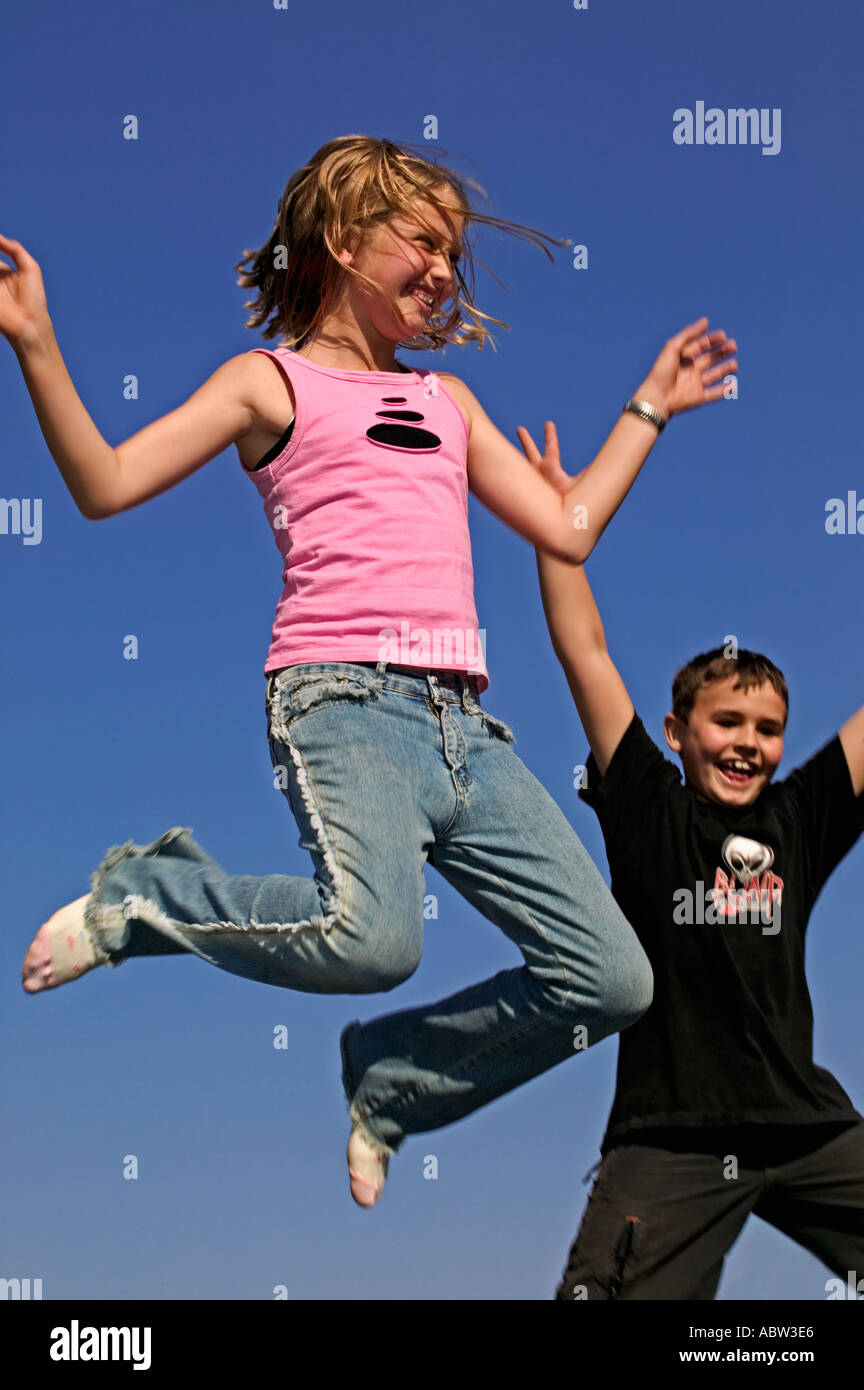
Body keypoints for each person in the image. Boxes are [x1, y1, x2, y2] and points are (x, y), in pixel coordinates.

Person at [3, 134, 735, 1209]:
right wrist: (36, 345)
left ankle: (392, 1082)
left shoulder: (447, 404)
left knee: (614, 978)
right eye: (424, 243)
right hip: (340, 700)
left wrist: (651, 406)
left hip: (467, 731)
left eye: (455, 253)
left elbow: (567, 527)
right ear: (345, 241)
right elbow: (107, 484)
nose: (444, 271)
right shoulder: (270, 383)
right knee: (375, 939)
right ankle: (143, 899)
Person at [518, 423, 864, 1299]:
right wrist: (559, 532)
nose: (749, 744)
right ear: (677, 733)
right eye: (727, 724)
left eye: (768, 729)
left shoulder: (802, 816)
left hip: (804, 1126)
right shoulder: (647, 808)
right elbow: (584, 650)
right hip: (670, 1138)